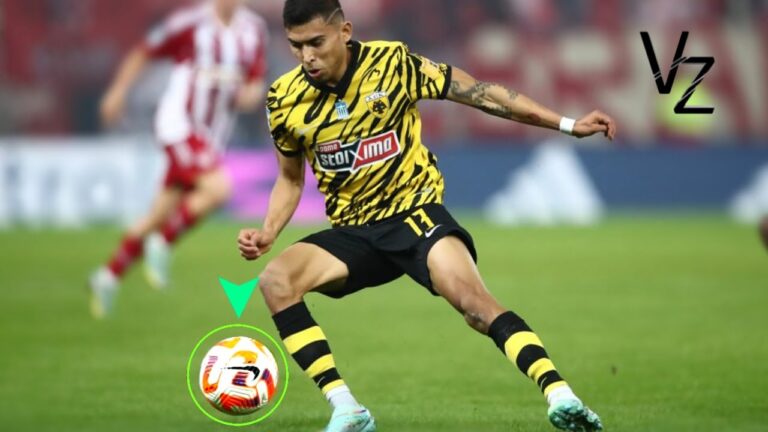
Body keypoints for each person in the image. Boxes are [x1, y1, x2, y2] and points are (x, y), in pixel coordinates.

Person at [238, 1, 616, 430]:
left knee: (475, 306)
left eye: (316, 42)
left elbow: (480, 93)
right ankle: (347, 408)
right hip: (354, 233)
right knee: (277, 281)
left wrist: (567, 124)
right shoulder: (283, 98)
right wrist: (269, 230)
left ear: (344, 31)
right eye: (296, 45)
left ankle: (561, 395)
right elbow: (290, 179)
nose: (307, 56)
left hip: (415, 216)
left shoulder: (392, 64)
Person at [89, 0, 268, 319]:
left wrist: (252, 94)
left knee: (157, 215)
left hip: (211, 138)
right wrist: (118, 92)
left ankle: (108, 276)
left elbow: (255, 80)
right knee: (218, 189)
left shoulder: (254, 30)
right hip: (180, 125)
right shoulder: (190, 23)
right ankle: (164, 242)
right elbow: (143, 51)